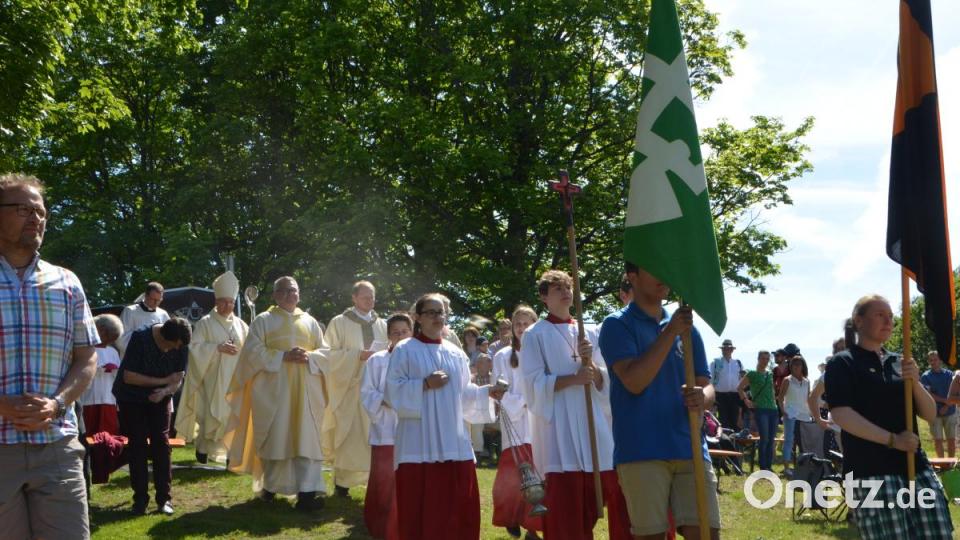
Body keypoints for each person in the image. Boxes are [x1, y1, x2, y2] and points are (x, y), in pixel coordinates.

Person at [0, 174, 100, 539]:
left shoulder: (67, 283)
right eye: (23, 209)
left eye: (40, 211)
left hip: (56, 446)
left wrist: (57, 404)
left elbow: (87, 356)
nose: (36, 218)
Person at [598, 263, 720, 540]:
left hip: (689, 447)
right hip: (642, 450)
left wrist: (704, 397)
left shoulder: (688, 329)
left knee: (707, 533)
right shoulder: (617, 325)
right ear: (633, 276)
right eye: (654, 267)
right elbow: (634, 381)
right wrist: (671, 332)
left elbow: (706, 383)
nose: (664, 274)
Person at [826, 295, 953, 539]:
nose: (888, 320)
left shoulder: (900, 362)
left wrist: (915, 382)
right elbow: (842, 414)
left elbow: (930, 413)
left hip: (916, 468)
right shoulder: (843, 363)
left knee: (938, 533)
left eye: (891, 316)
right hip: (871, 470)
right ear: (859, 321)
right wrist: (893, 440)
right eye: (879, 314)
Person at [520, 270, 632, 540]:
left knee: (610, 491)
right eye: (557, 288)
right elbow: (533, 383)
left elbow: (607, 379)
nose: (566, 292)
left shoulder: (590, 331)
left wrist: (592, 367)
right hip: (560, 427)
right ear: (544, 297)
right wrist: (573, 378)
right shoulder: (535, 335)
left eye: (568, 287)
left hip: (594, 424)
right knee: (566, 505)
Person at [385, 293, 503, 540]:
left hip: (453, 442)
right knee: (420, 511)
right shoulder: (404, 350)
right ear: (417, 317)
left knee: (456, 512)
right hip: (419, 443)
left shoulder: (455, 353)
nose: (438, 317)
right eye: (431, 312)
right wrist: (425, 384)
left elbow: (464, 394)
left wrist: (487, 393)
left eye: (441, 313)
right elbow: (393, 392)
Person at [225, 276, 330, 512]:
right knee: (277, 439)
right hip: (274, 392)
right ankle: (271, 487)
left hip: (306, 393)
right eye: (284, 291)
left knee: (306, 440)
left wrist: (310, 357)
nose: (290, 294)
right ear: (275, 295)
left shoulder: (311, 322)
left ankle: (307, 494)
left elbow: (326, 353)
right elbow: (252, 353)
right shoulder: (263, 321)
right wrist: (282, 356)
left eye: (294, 290)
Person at [112, 317, 192, 515]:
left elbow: (178, 378)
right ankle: (140, 500)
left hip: (160, 397)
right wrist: (163, 381)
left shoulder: (180, 342)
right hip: (131, 397)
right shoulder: (140, 338)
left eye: (178, 348)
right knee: (137, 444)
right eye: (170, 347)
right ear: (163, 338)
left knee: (161, 444)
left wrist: (164, 392)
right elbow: (129, 376)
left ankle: (164, 499)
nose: (173, 350)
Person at [321, 280, 387, 497]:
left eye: (372, 297)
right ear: (354, 298)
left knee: (375, 435)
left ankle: (375, 483)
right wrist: (356, 356)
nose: (370, 300)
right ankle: (342, 484)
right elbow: (327, 355)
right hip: (350, 389)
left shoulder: (383, 325)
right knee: (350, 436)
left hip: (377, 390)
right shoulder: (339, 322)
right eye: (365, 296)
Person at [176, 271, 249, 464]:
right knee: (211, 414)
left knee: (232, 416)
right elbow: (194, 348)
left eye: (231, 302)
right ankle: (203, 448)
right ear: (216, 301)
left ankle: (230, 453)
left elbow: (249, 350)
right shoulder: (205, 323)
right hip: (212, 378)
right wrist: (217, 348)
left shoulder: (242, 325)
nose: (228, 306)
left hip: (235, 379)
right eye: (224, 301)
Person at [491, 304, 543, 540]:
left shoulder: (543, 350)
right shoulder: (503, 356)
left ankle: (532, 527)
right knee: (513, 477)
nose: (522, 328)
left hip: (539, 423)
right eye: (518, 324)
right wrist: (523, 402)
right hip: (515, 424)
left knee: (538, 476)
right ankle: (511, 518)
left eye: (527, 323)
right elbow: (498, 390)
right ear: (512, 327)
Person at [360, 312, 413, 540]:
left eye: (404, 332)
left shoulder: (417, 358)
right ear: (388, 335)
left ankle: (406, 525)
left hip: (411, 430)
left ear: (412, 332)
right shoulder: (377, 360)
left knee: (407, 482)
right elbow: (366, 392)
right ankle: (381, 526)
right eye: (395, 333)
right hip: (385, 428)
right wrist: (386, 399)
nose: (400, 336)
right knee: (384, 480)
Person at [777, 355, 823, 475]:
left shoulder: (807, 381)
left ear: (803, 366)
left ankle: (802, 467)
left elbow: (808, 399)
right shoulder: (787, 380)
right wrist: (784, 412)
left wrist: (813, 413)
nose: (796, 366)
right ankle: (787, 468)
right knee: (789, 441)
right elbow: (780, 398)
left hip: (804, 415)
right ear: (791, 366)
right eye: (794, 364)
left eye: (799, 364)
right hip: (791, 415)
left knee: (804, 442)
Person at [80, 314, 124, 435]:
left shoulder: (113, 351)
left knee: (108, 430)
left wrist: (115, 370)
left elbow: (119, 375)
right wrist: (100, 368)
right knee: (90, 429)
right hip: (90, 396)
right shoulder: (87, 349)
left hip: (108, 396)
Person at [738, 350, 777, 470]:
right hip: (760, 409)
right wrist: (746, 400)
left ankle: (768, 467)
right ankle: (763, 467)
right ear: (758, 359)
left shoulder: (770, 373)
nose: (765, 361)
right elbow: (739, 388)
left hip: (773, 409)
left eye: (767, 359)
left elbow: (771, 390)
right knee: (764, 438)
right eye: (763, 358)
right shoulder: (752, 374)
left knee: (771, 440)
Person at [117, 281, 170, 358]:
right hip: (134, 359)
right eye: (153, 299)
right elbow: (121, 338)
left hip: (156, 360)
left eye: (159, 300)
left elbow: (169, 338)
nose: (156, 303)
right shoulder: (130, 311)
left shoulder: (163, 314)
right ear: (145, 296)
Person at [920, 350, 956, 458]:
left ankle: (951, 464)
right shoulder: (926, 376)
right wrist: (945, 401)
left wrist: (946, 405)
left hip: (950, 412)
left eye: (935, 359)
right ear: (928, 362)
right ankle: (942, 465)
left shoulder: (949, 375)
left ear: (940, 360)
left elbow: (955, 392)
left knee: (951, 440)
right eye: (931, 360)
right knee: (938, 440)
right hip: (934, 413)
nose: (933, 362)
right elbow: (929, 394)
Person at [710, 339, 742, 430]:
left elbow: (741, 380)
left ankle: (734, 442)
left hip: (735, 396)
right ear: (722, 350)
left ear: (732, 350)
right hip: (720, 396)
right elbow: (711, 381)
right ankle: (725, 442)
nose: (727, 350)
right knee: (723, 421)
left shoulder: (738, 363)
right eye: (725, 348)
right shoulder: (715, 363)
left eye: (729, 348)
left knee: (735, 421)